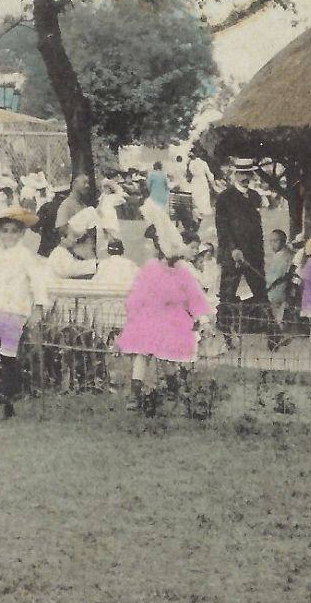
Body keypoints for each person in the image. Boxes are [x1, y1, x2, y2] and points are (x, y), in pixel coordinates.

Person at [116, 224, 214, 415]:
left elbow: (195, 297)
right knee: (142, 349)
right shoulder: (151, 268)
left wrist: (203, 320)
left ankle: (173, 388)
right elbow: (138, 294)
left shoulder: (183, 272)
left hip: (173, 318)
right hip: (150, 316)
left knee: (165, 353)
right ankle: (135, 393)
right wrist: (133, 315)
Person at [0, 206, 50, 421]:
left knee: (8, 358)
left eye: (13, 231)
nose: (8, 235)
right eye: (4, 231)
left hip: (14, 312)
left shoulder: (25, 256)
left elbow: (38, 283)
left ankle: (5, 403)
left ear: (21, 233)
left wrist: (38, 309)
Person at [213, 157, 268, 306]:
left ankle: (260, 326)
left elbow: (257, 228)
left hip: (253, 254)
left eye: (248, 174)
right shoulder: (225, 197)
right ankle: (223, 326)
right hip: (233, 254)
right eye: (241, 174)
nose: (245, 177)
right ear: (235, 174)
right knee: (228, 293)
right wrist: (233, 249)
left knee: (259, 292)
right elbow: (222, 227)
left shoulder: (255, 196)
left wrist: (260, 254)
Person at [264, 230, 295, 326]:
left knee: (278, 311)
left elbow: (278, 274)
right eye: (271, 241)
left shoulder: (286, 255)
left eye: (275, 241)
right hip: (276, 286)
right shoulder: (278, 255)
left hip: (279, 287)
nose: (272, 244)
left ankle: (279, 329)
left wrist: (267, 284)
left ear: (283, 241)